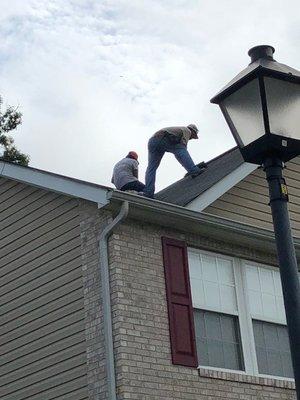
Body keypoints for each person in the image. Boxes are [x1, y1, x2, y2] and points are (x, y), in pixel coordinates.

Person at [143, 124, 204, 198]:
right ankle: (193, 170)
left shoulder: (177, 129)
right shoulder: (187, 130)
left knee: (151, 168)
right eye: (193, 136)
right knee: (181, 150)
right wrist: (190, 168)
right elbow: (182, 149)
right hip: (164, 138)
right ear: (192, 131)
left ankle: (148, 193)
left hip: (153, 141)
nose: (191, 138)